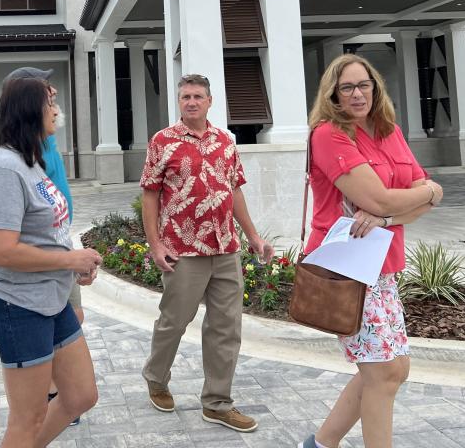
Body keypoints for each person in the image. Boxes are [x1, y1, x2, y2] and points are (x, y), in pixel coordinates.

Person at [300, 54, 444, 448]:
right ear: (333, 95)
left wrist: (408, 204)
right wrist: (424, 194)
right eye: (346, 87)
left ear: (375, 87)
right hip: (347, 268)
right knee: (383, 373)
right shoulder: (329, 135)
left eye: (364, 84)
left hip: (381, 264)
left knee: (395, 369)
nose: (357, 94)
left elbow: (410, 200)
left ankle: (319, 444)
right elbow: (380, 198)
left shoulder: (388, 130)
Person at [139, 73, 274, 433]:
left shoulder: (225, 142)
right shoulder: (162, 142)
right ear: (179, 102)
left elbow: (236, 193)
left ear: (210, 101)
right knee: (174, 321)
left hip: (226, 248)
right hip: (183, 251)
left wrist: (254, 237)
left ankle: (217, 402)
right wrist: (156, 244)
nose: (191, 102)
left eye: (198, 96)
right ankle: (156, 377)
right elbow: (150, 194)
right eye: (185, 96)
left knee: (227, 328)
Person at [0, 77, 101, 447]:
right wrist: (68, 261)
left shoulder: (31, 160)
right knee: (27, 419)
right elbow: (1, 251)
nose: (57, 111)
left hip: (51, 300)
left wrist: (74, 263)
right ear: (30, 109)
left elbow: (45, 230)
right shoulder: (5, 169)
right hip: (19, 308)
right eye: (50, 103)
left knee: (80, 396)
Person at [3, 66, 83, 424]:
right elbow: (2, 248)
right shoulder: (13, 159)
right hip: (35, 273)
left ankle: (59, 395)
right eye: (45, 94)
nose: (53, 100)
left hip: (59, 244)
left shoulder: (44, 140)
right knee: (27, 419)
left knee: (73, 317)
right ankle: (51, 393)